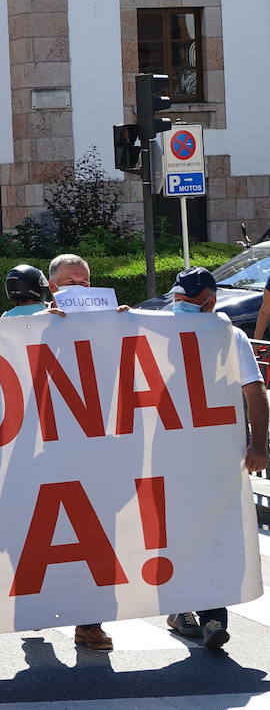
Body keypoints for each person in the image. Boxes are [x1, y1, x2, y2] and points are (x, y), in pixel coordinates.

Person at [162, 266, 269, 651]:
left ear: (211, 301)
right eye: (179, 300)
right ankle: (181, 607)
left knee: (214, 533)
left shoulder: (230, 337)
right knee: (178, 534)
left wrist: (259, 446)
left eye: (190, 302)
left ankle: (212, 617)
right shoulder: (154, 333)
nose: (183, 307)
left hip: (214, 457)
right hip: (168, 457)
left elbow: (254, 393)